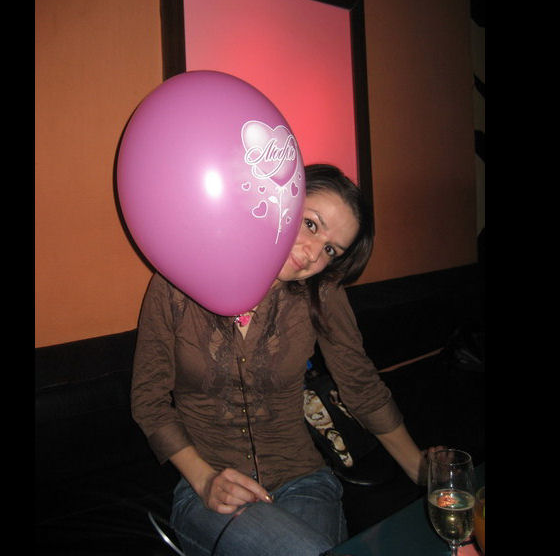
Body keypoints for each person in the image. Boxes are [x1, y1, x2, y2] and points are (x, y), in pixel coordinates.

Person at [132, 164, 438, 556]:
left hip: (304, 480)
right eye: (311, 224)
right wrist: (205, 480)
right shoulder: (175, 284)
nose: (312, 254)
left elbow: (361, 385)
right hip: (209, 488)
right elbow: (149, 400)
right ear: (279, 202)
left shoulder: (322, 293)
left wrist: (421, 470)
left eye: (331, 250)